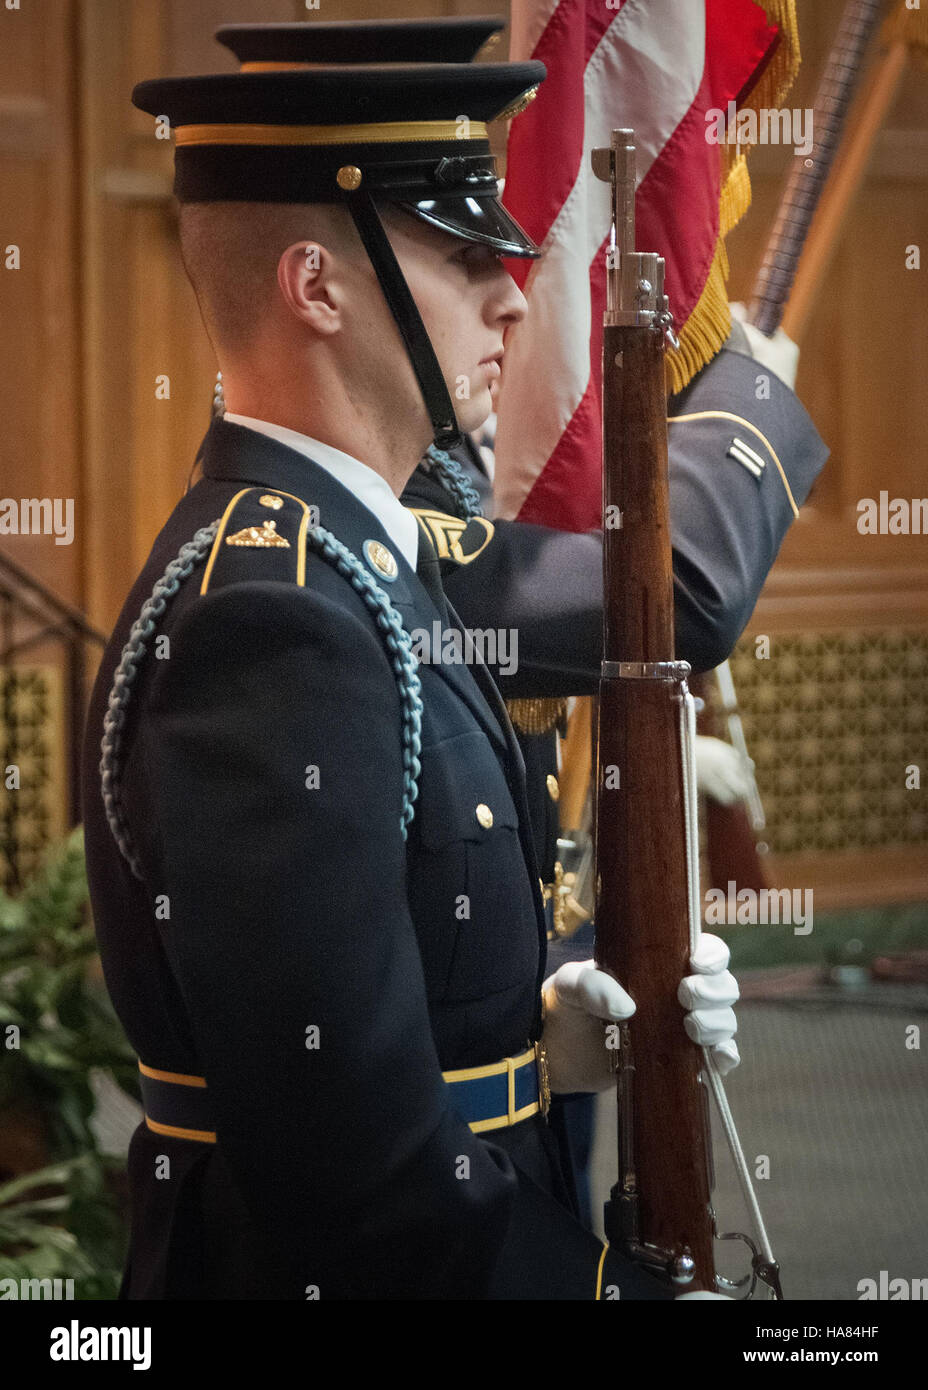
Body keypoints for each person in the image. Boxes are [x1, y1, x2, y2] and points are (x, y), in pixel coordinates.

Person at [81, 54, 741, 1300]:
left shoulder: (348, 554)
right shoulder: (272, 615)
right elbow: (355, 1173)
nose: (511, 302)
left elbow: (363, 977)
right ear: (316, 285)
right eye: (465, 259)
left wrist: (540, 1026)